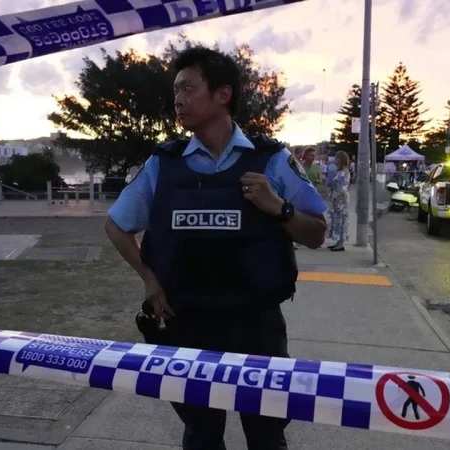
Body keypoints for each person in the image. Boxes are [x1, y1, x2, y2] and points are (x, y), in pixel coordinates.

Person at [104, 46, 328, 450]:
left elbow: (316, 233)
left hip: (256, 325)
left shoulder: (271, 160)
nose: (177, 99)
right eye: (175, 90)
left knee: (266, 436)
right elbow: (117, 226)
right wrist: (149, 279)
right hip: (186, 322)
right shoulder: (164, 163)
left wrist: (278, 207)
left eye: (188, 88)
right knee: (202, 436)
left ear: (222, 95)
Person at [327, 151, 351, 252]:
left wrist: (337, 199)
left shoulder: (344, 172)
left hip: (340, 200)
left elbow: (341, 187)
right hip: (337, 198)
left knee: (341, 221)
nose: (335, 160)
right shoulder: (340, 171)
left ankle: (340, 243)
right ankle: (338, 242)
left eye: (337, 158)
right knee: (337, 221)